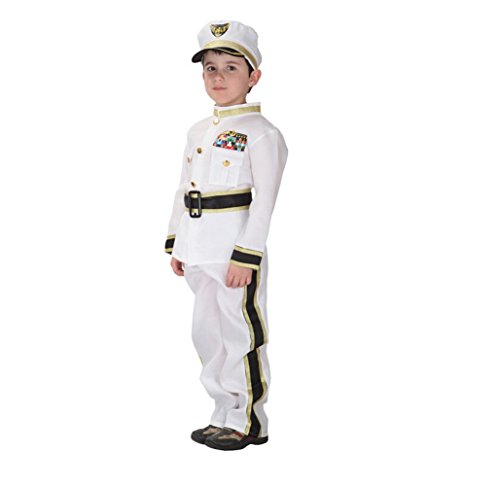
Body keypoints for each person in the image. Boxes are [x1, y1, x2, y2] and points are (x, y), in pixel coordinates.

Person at [164, 20, 288, 451]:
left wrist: (247, 255)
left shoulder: (262, 133)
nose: (218, 77)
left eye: (231, 68)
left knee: (241, 335)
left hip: (233, 251)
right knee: (208, 334)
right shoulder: (199, 131)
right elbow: (185, 189)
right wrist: (177, 241)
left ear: (253, 77)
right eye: (210, 68)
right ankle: (221, 413)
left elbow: (265, 201)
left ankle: (248, 419)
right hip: (198, 249)